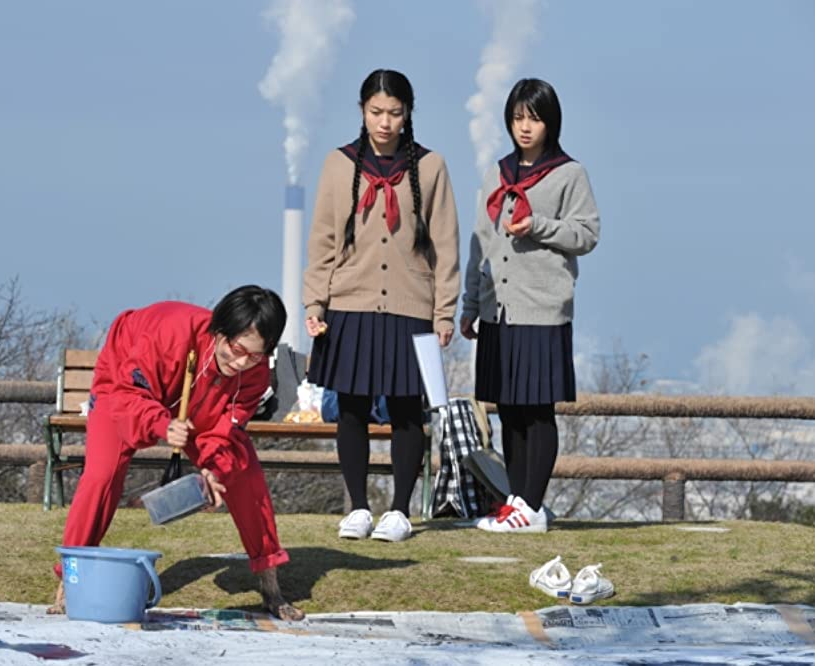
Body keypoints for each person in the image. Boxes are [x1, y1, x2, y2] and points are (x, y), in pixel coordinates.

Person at [52, 285, 304, 620]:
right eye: (235, 348)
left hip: (197, 406)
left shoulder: (253, 373)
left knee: (244, 471)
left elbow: (224, 430)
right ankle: (70, 582)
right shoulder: (167, 331)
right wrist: (162, 424)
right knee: (101, 476)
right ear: (219, 330)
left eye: (255, 355)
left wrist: (214, 470)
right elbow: (128, 393)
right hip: (124, 390)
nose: (241, 362)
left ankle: (270, 585)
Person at [303, 69, 460, 542]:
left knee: (406, 409)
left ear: (408, 112)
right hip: (349, 303)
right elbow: (323, 238)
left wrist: (444, 311)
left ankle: (399, 511)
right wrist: (316, 301)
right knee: (350, 407)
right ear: (362, 111)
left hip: (412, 306)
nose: (385, 122)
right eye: (376, 112)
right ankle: (356, 507)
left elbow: (446, 245)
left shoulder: (430, 167)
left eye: (394, 113)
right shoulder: (339, 164)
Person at [460, 78, 600, 533]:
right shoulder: (496, 172)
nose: (525, 127)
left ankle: (533, 506)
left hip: (542, 308)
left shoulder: (569, 173)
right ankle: (517, 501)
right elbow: (480, 242)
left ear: (550, 121)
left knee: (538, 410)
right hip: (497, 309)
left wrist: (537, 225)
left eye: (534, 118)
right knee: (509, 408)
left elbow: (587, 234)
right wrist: (470, 304)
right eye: (518, 117)